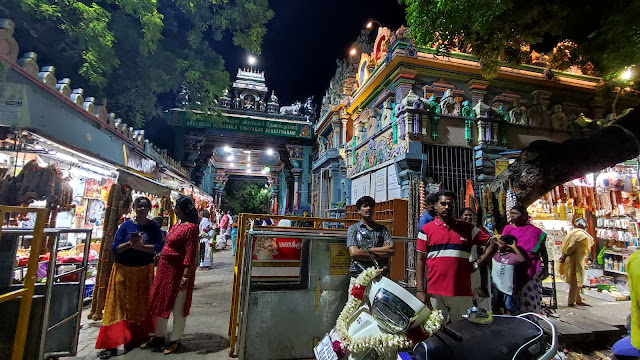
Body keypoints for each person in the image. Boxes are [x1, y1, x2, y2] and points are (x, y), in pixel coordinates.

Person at [95, 197, 163, 359]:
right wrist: (130, 245)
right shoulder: (125, 226)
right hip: (123, 271)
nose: (141, 209)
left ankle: (138, 338)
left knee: (142, 304)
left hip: (143, 272)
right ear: (133, 207)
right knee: (118, 306)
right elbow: (115, 248)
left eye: (145, 207)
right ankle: (111, 344)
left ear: (149, 209)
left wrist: (142, 247)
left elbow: (159, 246)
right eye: (139, 206)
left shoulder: (153, 226)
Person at [416, 190, 493, 322]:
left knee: (462, 330)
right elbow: (420, 260)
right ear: (435, 206)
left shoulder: (468, 229)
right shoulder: (426, 230)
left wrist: (477, 264)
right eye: (443, 204)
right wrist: (420, 290)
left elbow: (493, 243)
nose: (447, 207)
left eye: (450, 204)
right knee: (437, 330)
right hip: (435, 291)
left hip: (461, 291)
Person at [142, 196, 199, 354]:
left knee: (178, 305)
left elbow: (190, 253)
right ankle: (159, 335)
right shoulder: (178, 225)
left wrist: (185, 276)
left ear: (183, 209)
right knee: (161, 301)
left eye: (177, 208)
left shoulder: (191, 228)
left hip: (179, 272)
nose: (175, 210)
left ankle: (175, 339)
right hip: (165, 270)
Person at [502, 204, 549, 314]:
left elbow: (543, 250)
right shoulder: (508, 229)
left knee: (530, 302)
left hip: (531, 268)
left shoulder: (535, 231)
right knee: (510, 303)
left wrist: (546, 267)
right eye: (511, 214)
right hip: (512, 270)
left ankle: (531, 324)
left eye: (515, 214)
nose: (512, 216)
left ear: (524, 216)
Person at [346, 196, 395, 292]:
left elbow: (391, 250)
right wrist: (380, 254)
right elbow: (354, 253)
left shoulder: (382, 229)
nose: (368, 208)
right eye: (365, 206)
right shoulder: (353, 229)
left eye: (371, 206)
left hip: (379, 278)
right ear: (359, 211)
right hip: (358, 277)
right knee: (356, 306)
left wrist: (367, 251)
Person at [460, 207, 492, 311]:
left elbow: (492, 245)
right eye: (466, 215)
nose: (468, 217)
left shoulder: (477, 232)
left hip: (476, 271)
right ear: (460, 217)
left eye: (470, 215)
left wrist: (478, 262)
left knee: (479, 298)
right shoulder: (457, 232)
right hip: (462, 271)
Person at [560, 218, 594, 306]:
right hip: (575, 260)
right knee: (575, 280)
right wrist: (564, 256)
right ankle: (571, 301)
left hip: (576, 259)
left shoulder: (573, 233)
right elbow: (570, 247)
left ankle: (578, 299)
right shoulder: (580, 235)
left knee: (577, 280)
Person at [491, 234, 525, 314]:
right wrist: (494, 238)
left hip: (507, 288)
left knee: (509, 305)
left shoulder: (511, 256)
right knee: (496, 304)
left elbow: (521, 259)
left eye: (501, 243)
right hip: (496, 285)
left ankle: (511, 321)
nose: (498, 245)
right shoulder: (495, 254)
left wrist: (514, 247)